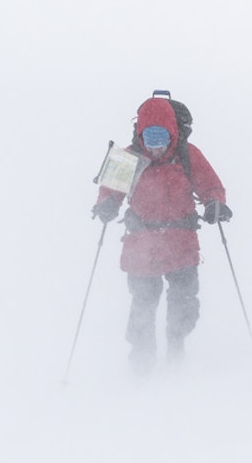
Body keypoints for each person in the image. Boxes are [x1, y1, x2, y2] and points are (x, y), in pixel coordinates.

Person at [92, 94, 231, 373]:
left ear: (172, 133)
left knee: (183, 301)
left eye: (162, 137)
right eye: (150, 137)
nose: (156, 146)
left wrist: (216, 204)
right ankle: (141, 363)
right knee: (142, 302)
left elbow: (211, 187)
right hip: (141, 243)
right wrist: (106, 204)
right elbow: (108, 192)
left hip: (181, 242)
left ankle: (176, 350)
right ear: (140, 133)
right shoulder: (127, 156)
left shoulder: (187, 154)